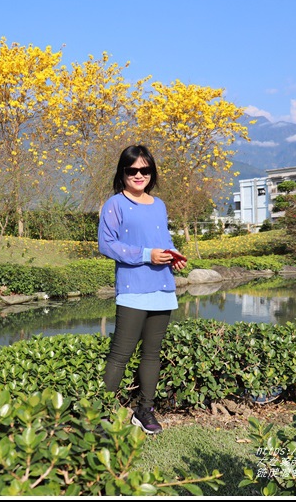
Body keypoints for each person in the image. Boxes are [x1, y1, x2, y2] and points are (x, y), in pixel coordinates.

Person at [97, 144, 187, 435]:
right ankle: (100, 415)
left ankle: (144, 410)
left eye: (144, 170)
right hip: (133, 289)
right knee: (120, 355)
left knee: (152, 353)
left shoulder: (159, 205)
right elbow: (106, 244)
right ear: (122, 172)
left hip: (162, 288)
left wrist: (173, 255)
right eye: (132, 170)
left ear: (152, 172)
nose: (139, 175)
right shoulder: (115, 204)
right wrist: (148, 255)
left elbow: (162, 238)